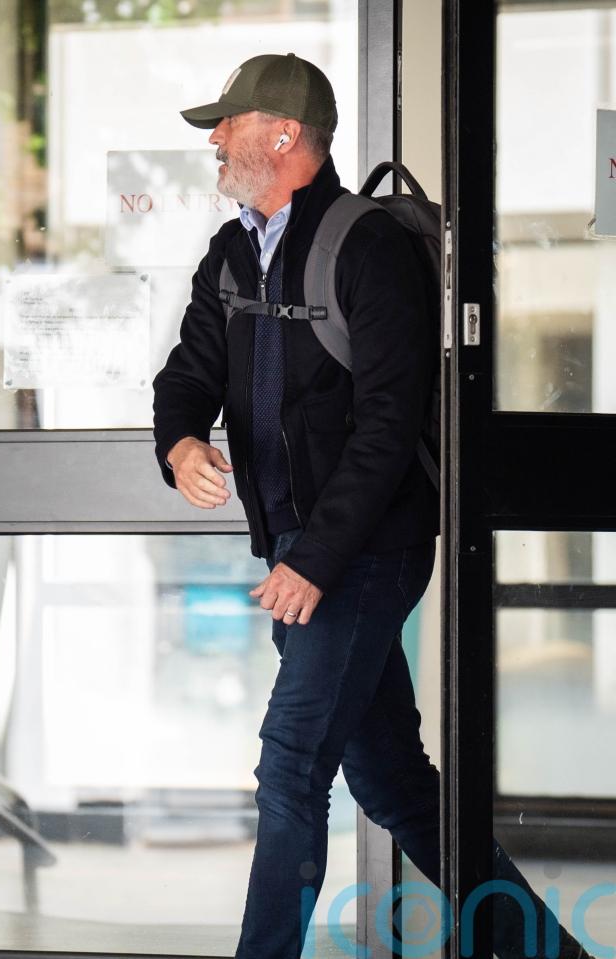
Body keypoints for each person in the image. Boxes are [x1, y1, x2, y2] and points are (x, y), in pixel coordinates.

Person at [152, 53, 594, 959]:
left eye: (229, 122)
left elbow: (387, 428)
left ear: (284, 135)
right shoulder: (232, 253)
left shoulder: (367, 248)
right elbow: (187, 374)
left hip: (365, 552)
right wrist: (182, 442)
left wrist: (314, 561)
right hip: (296, 552)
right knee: (394, 783)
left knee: (291, 764)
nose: (215, 138)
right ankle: (549, 951)